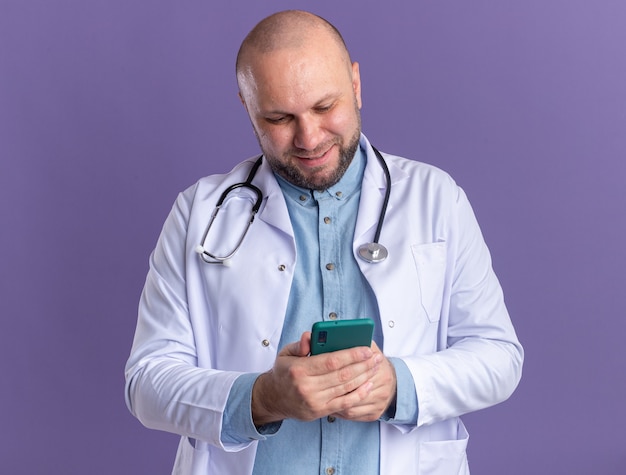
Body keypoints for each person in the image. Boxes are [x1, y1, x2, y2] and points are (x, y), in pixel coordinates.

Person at [124, 10, 523, 475]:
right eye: (278, 117)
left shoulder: (437, 198)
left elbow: (499, 356)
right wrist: (262, 397)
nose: (309, 138)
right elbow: (146, 382)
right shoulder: (199, 212)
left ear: (355, 84)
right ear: (247, 107)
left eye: (323, 107)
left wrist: (400, 385)